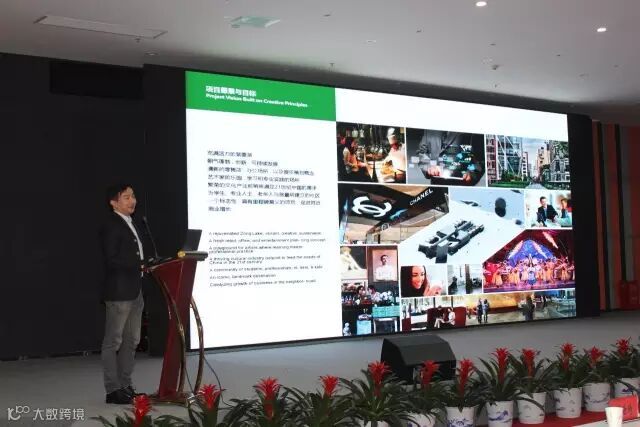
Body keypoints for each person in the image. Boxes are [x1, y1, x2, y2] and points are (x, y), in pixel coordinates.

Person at [100, 184, 148, 404]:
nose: (132, 201)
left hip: (135, 289)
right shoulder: (111, 224)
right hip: (119, 291)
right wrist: (138, 265)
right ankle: (112, 390)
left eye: (133, 196)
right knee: (114, 341)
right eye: (126, 197)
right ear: (113, 202)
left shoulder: (131, 223)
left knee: (132, 340)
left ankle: (125, 385)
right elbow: (111, 259)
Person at [415, 130, 484, 186]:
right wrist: (429, 166)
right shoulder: (430, 126)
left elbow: (481, 157)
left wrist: (472, 173)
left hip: (462, 184)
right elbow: (422, 151)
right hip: (436, 184)